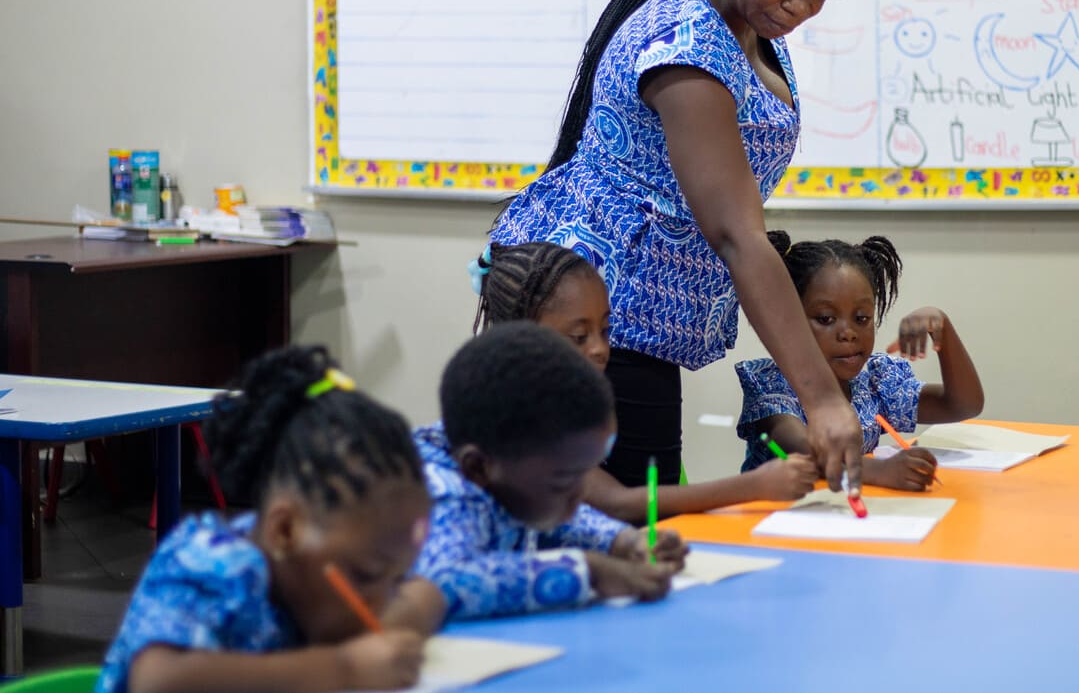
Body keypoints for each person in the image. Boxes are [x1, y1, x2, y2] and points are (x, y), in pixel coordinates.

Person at [489, 0, 865, 495]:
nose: (801, 5)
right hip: (599, 315)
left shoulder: (745, 21)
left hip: (636, 315)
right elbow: (735, 233)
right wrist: (825, 403)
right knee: (629, 521)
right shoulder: (687, 49)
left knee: (644, 512)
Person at [97, 347, 431, 693]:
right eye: (365, 576)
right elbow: (157, 682)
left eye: (398, 580)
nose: (382, 606)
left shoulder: (311, 582)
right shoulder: (211, 566)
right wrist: (343, 668)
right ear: (285, 531)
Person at [471, 241, 817, 523]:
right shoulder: (523, 427)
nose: (600, 349)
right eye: (578, 336)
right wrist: (755, 485)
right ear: (520, 339)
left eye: (606, 331)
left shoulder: (577, 408)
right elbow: (619, 503)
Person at [390, 322, 687, 633]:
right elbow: (442, 580)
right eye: (563, 482)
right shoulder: (444, 492)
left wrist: (621, 541)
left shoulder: (505, 467)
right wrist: (588, 571)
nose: (580, 495)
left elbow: (556, 518)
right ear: (477, 469)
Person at [737, 232, 985, 492]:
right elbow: (804, 450)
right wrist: (880, 471)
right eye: (825, 318)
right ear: (787, 320)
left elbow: (962, 405)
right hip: (776, 521)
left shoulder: (874, 381)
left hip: (854, 518)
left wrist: (942, 329)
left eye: (862, 318)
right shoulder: (772, 383)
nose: (849, 333)